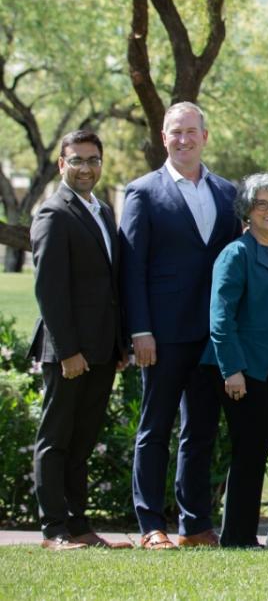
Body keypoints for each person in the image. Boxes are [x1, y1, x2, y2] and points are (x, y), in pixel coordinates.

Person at [119, 102, 240, 549]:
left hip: (212, 336)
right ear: (164, 138)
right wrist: (139, 331)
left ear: (205, 137)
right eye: (175, 132)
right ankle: (151, 524)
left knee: (201, 430)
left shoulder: (228, 192)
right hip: (163, 335)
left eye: (191, 131)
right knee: (155, 428)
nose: (184, 139)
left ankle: (195, 524)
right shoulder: (143, 192)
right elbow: (132, 269)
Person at [30, 131, 131, 550]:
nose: (86, 168)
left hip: (103, 350)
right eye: (77, 160)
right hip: (68, 351)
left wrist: (120, 344)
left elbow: (111, 284)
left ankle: (79, 527)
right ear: (61, 164)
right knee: (56, 440)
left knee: (83, 440)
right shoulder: (53, 213)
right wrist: (68, 350)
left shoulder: (103, 211)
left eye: (93, 160)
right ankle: (53, 531)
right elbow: (49, 291)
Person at [202, 174, 268, 548]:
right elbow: (220, 318)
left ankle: (243, 534)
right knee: (250, 448)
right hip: (241, 370)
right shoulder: (236, 254)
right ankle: (237, 537)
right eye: (261, 203)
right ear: (247, 210)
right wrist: (232, 370)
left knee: (259, 446)